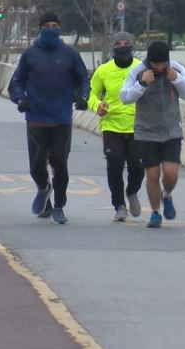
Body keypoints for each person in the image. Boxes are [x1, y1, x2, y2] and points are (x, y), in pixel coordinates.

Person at [8, 12, 90, 225]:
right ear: (40, 29)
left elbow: (83, 79)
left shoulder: (70, 54)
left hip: (61, 117)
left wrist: (83, 97)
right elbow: (16, 82)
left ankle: (59, 206)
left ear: (60, 29)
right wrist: (20, 99)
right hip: (36, 117)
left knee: (60, 164)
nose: (51, 28)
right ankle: (44, 188)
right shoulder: (30, 54)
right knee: (36, 166)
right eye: (47, 25)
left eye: (55, 25)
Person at [120, 41, 185, 228]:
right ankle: (155, 212)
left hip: (171, 131)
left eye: (163, 63)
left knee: (171, 173)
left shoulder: (175, 68)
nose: (160, 67)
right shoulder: (137, 71)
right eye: (156, 64)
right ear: (149, 61)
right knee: (152, 174)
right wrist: (142, 83)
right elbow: (125, 97)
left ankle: (167, 195)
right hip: (146, 133)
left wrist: (176, 79)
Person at [88, 32, 144, 221]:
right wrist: (98, 106)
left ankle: (132, 191)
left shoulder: (141, 68)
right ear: (113, 47)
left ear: (132, 46)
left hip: (138, 125)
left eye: (126, 43)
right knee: (115, 164)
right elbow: (91, 94)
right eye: (118, 44)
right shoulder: (103, 70)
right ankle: (119, 205)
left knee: (137, 166)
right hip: (111, 124)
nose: (122, 46)